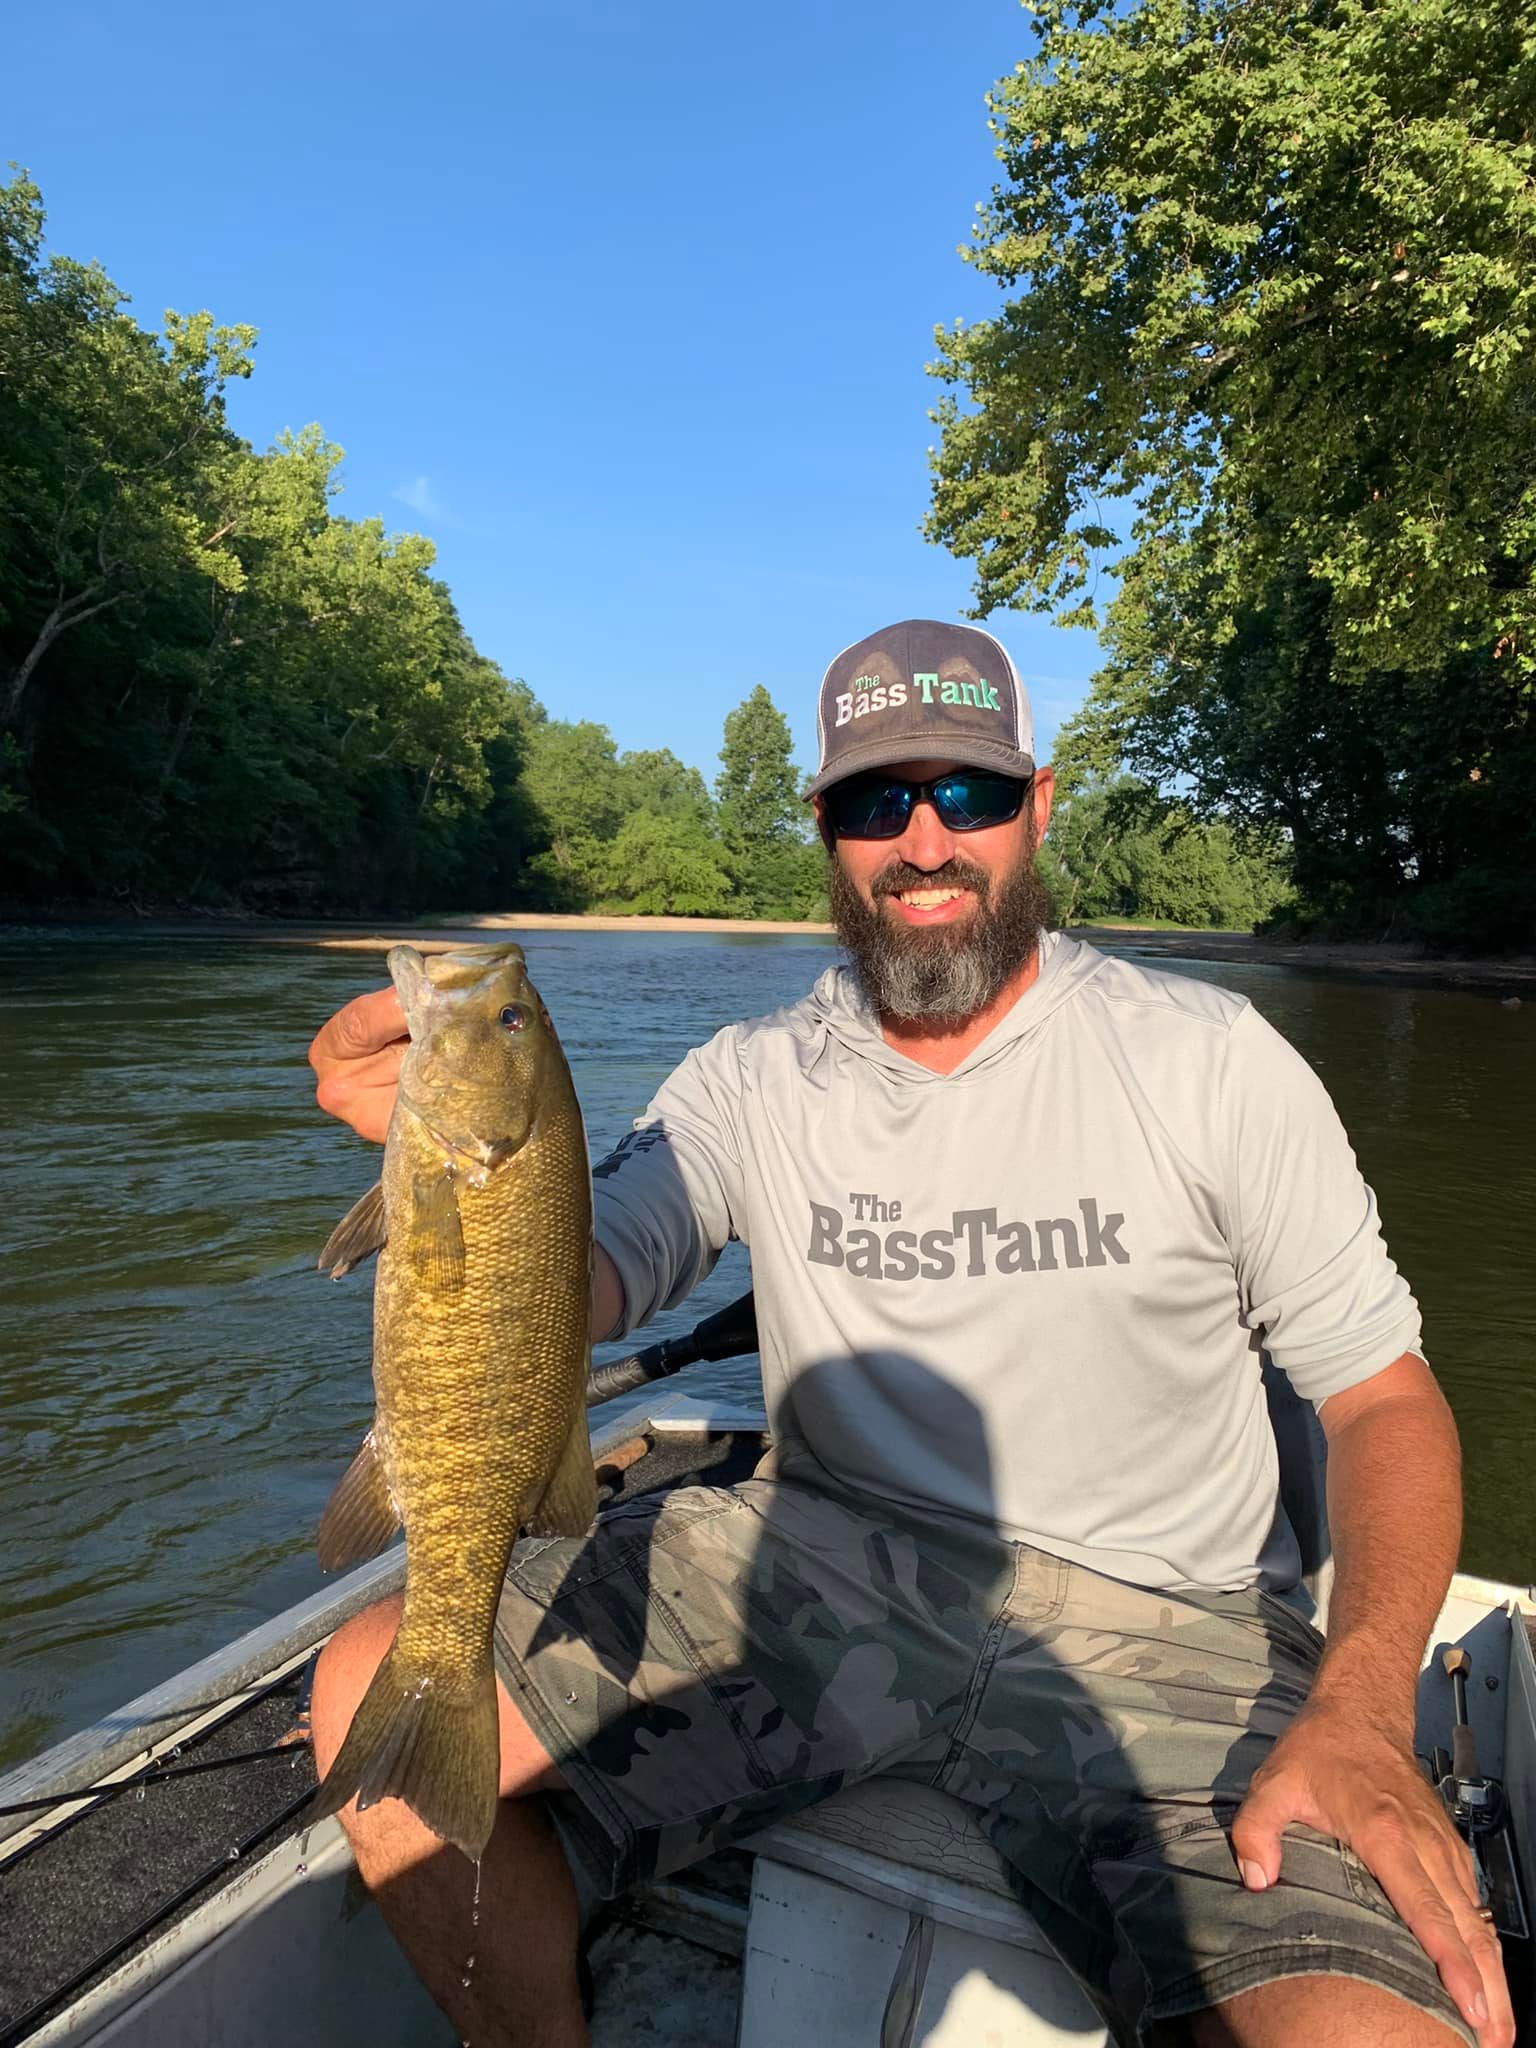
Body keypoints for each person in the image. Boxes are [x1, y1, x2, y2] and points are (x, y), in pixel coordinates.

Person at [307, 619, 1510, 2048]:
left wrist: (1368, 1703)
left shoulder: (1212, 1061)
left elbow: (1381, 1399)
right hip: (819, 1562)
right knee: (367, 1712)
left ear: (1037, 809)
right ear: (826, 829)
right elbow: (581, 1283)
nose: (925, 841)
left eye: (970, 796)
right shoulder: (747, 1082)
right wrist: (448, 1168)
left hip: (1174, 1636)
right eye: (879, 802)